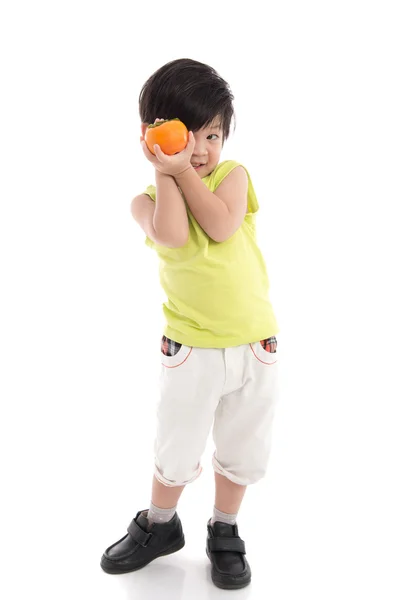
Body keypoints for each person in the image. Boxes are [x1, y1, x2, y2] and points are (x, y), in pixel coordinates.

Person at [100, 58, 280, 590]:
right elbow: (175, 236)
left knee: (242, 445)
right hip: (190, 349)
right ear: (154, 136)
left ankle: (224, 529)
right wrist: (166, 169)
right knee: (176, 445)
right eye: (187, 134)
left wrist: (183, 169)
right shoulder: (147, 201)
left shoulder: (233, 176)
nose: (200, 149)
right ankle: (160, 524)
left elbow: (222, 226)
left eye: (213, 135)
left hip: (254, 345)